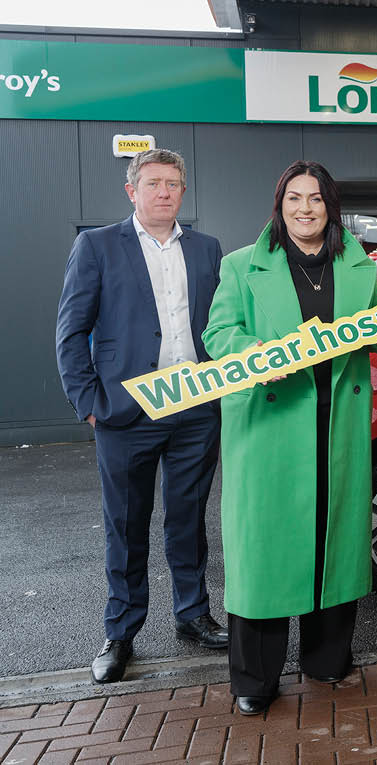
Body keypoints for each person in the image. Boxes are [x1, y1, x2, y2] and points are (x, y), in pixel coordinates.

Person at [202, 161, 377, 716]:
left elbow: (373, 328)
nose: (306, 209)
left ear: (331, 207)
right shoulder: (240, 266)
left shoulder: (360, 266)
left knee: (334, 539)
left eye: (317, 199)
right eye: (295, 198)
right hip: (272, 427)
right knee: (267, 553)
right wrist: (251, 354)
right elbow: (217, 333)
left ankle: (328, 658)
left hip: (337, 424)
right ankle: (255, 679)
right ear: (279, 205)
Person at [55, 148, 229, 684]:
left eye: (173, 183)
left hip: (195, 407)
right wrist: (89, 405)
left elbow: (220, 323)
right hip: (125, 412)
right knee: (125, 526)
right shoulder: (97, 245)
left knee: (188, 520)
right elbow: (70, 332)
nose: (164, 192)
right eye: (153, 182)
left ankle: (192, 614)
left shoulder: (206, 249)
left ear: (183, 191)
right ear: (132, 190)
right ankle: (121, 631)